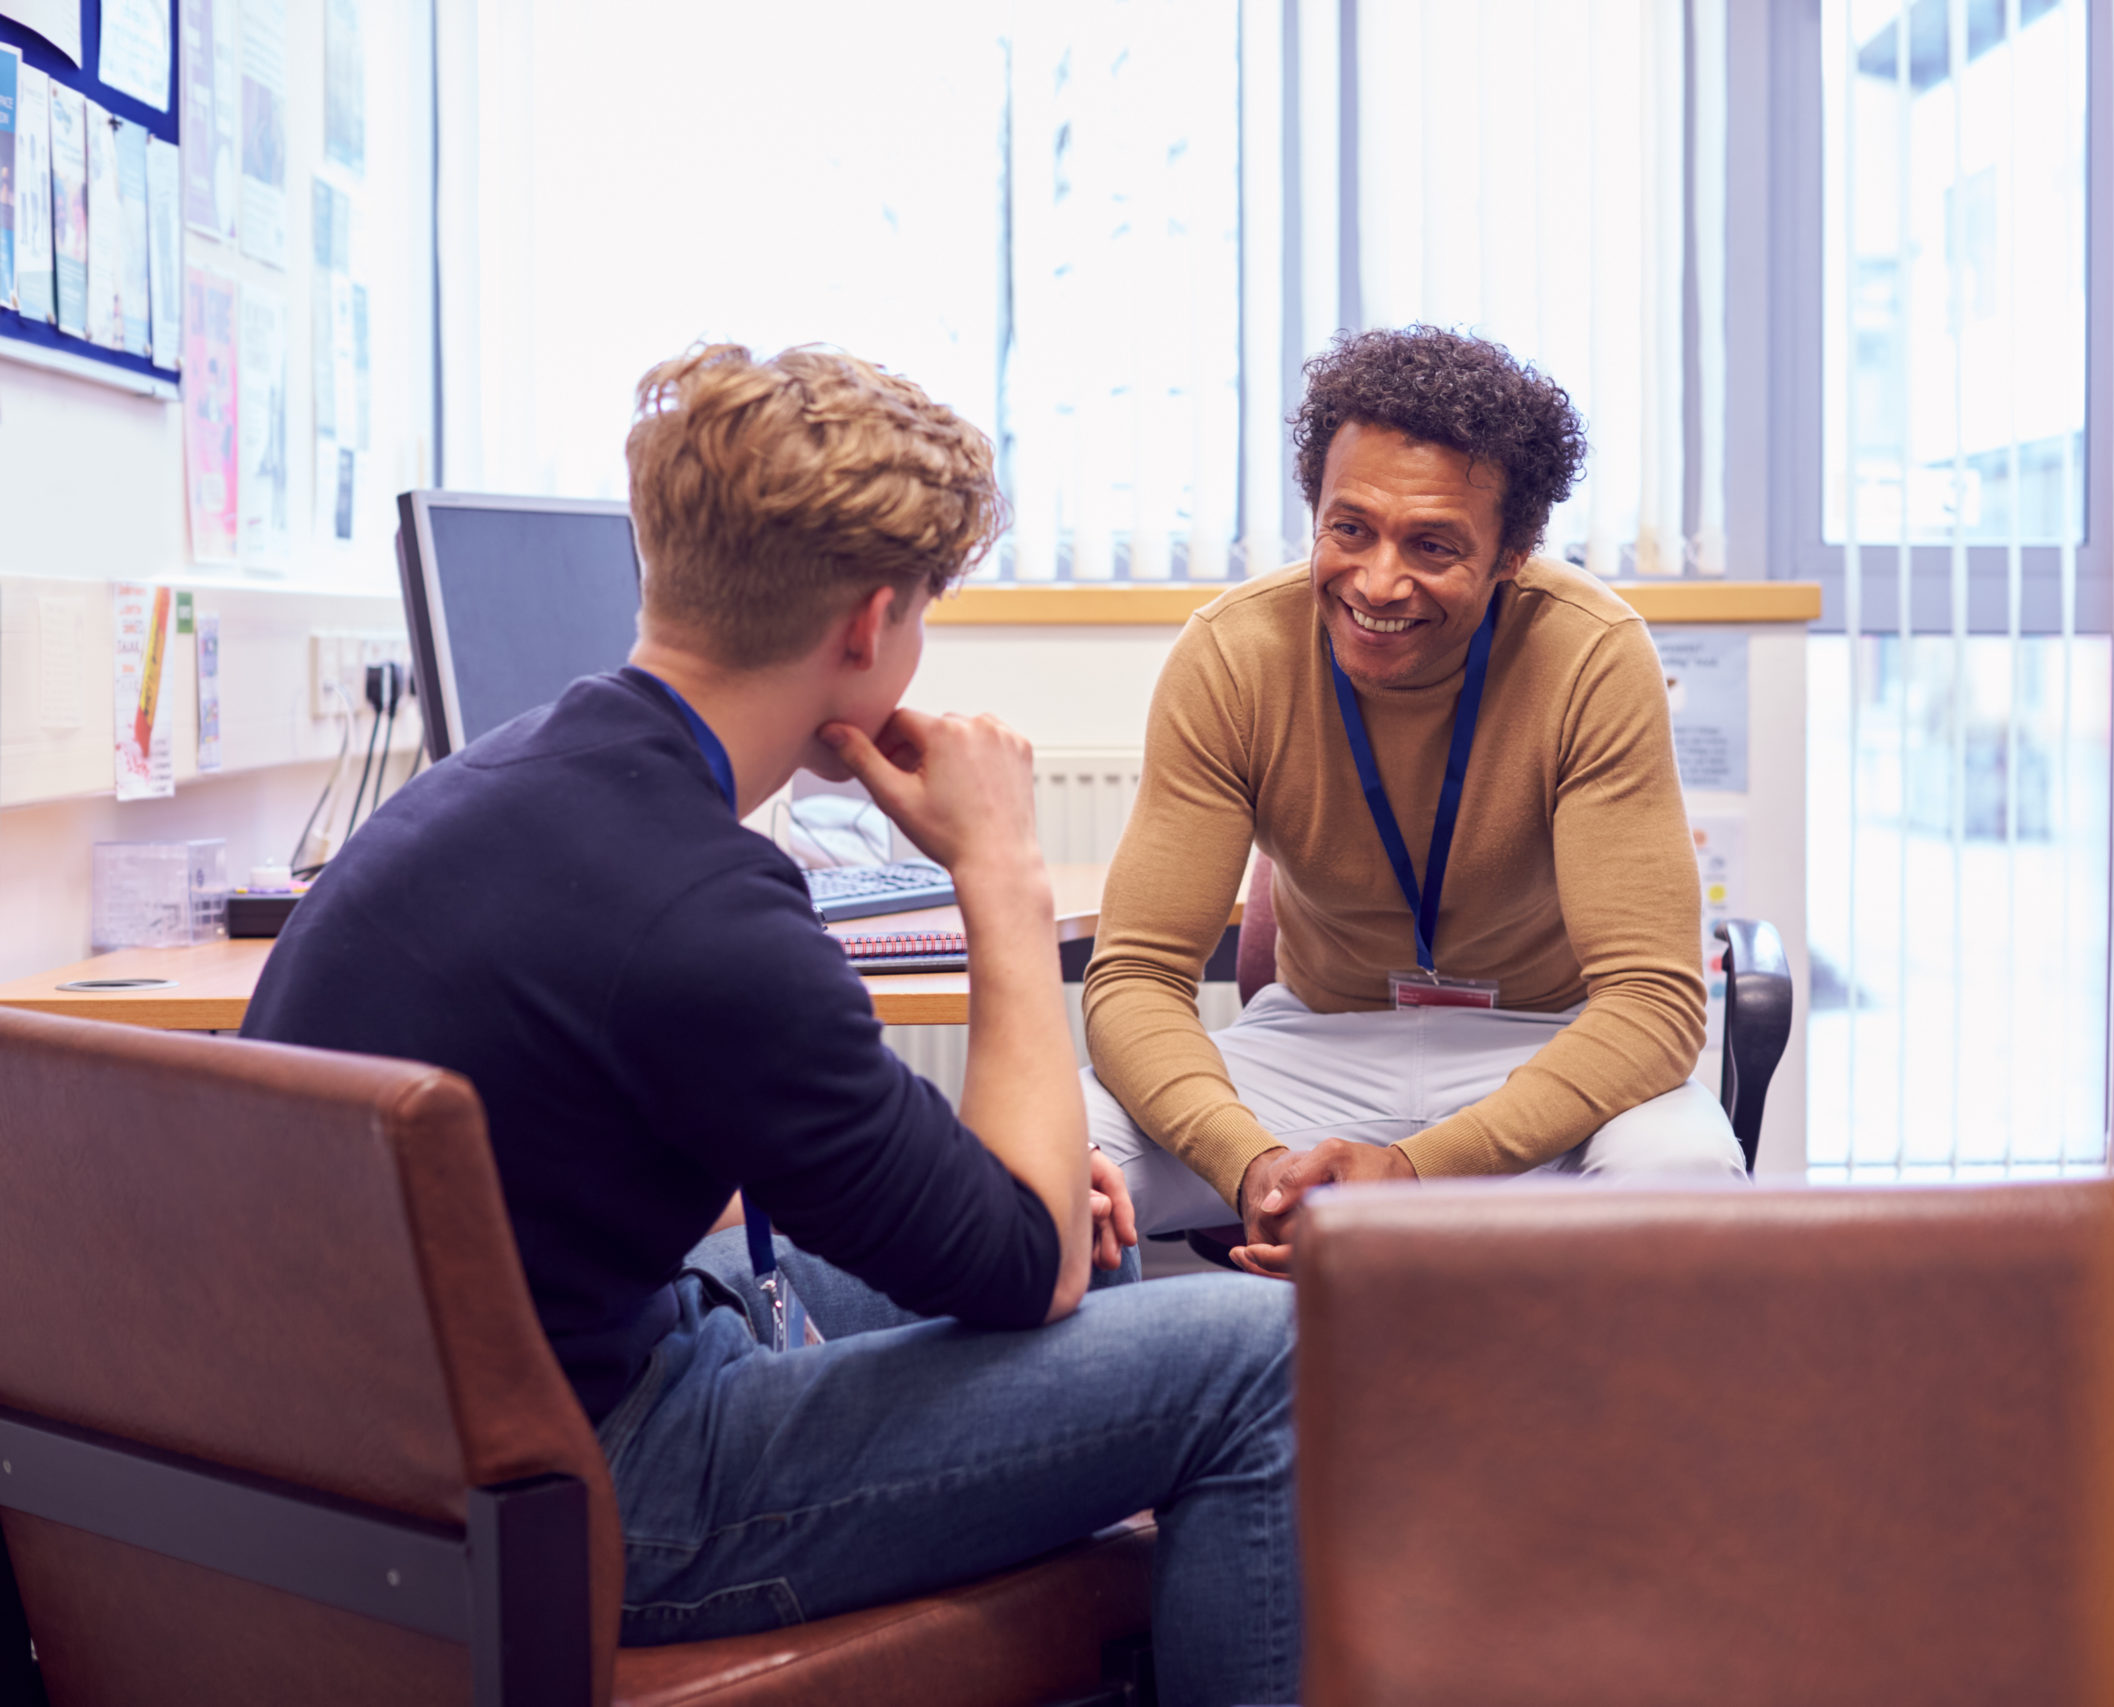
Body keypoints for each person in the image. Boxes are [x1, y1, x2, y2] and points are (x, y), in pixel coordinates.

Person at [243, 343, 1299, 1706]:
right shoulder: (704, 913)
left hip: (411, 1430)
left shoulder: (509, 775)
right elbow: (1018, 1263)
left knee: (1091, 1250)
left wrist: (1025, 1214)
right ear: (870, 627)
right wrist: (1003, 870)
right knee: (1258, 1358)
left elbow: (991, 1221)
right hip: (589, 1487)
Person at [1082, 326, 1745, 1278]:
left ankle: (1591, 1432)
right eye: (1350, 527)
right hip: (1315, 1048)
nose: (1378, 581)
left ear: (1513, 551)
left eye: (1432, 544)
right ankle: (1161, 1414)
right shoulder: (1233, 655)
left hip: (1543, 1048)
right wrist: (1255, 1166)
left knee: (1685, 1177)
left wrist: (1418, 1170)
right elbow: (1136, 978)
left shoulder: (1592, 655)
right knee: (1051, 1157)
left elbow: (1652, 1004)